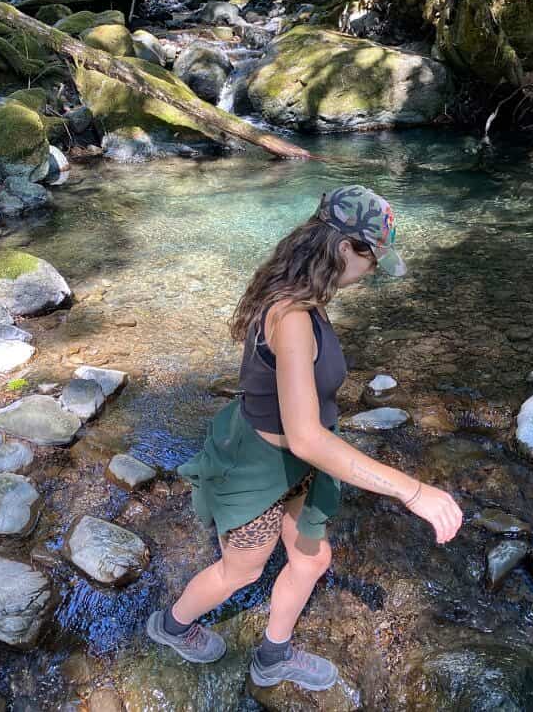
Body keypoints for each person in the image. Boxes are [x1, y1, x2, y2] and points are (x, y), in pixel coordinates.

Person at [147, 185, 463, 691]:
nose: (373, 270)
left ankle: (272, 656)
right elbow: (307, 439)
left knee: (313, 558)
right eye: (372, 258)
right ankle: (172, 626)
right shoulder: (291, 316)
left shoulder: (305, 291)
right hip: (256, 468)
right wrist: (413, 490)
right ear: (345, 248)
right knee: (241, 572)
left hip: (296, 466)